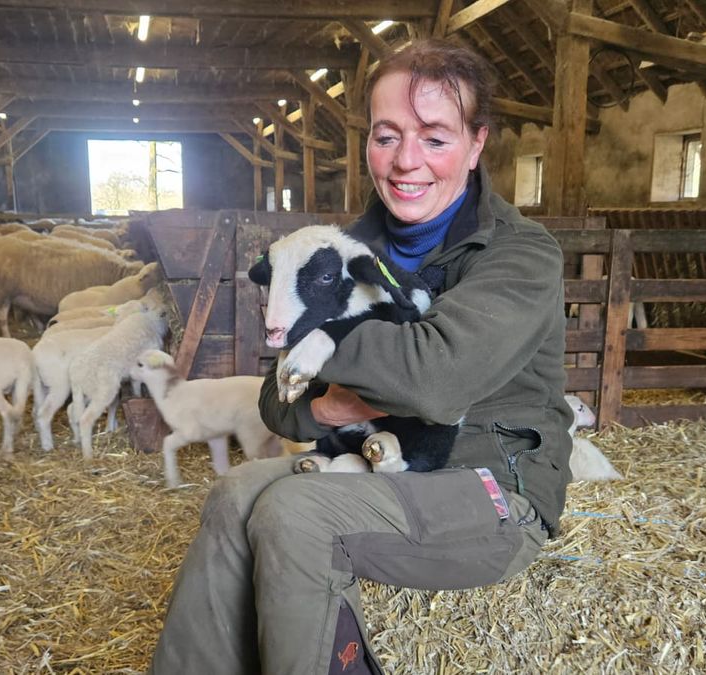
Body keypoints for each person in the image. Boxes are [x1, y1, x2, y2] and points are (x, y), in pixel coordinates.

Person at [149, 38, 572, 675]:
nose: (406, 161)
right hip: (370, 466)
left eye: (434, 138)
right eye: (386, 136)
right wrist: (333, 400)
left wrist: (322, 345)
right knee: (235, 493)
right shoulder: (341, 251)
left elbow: (435, 381)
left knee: (295, 514)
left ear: (477, 143)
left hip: (486, 489)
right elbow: (277, 402)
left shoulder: (520, 255)